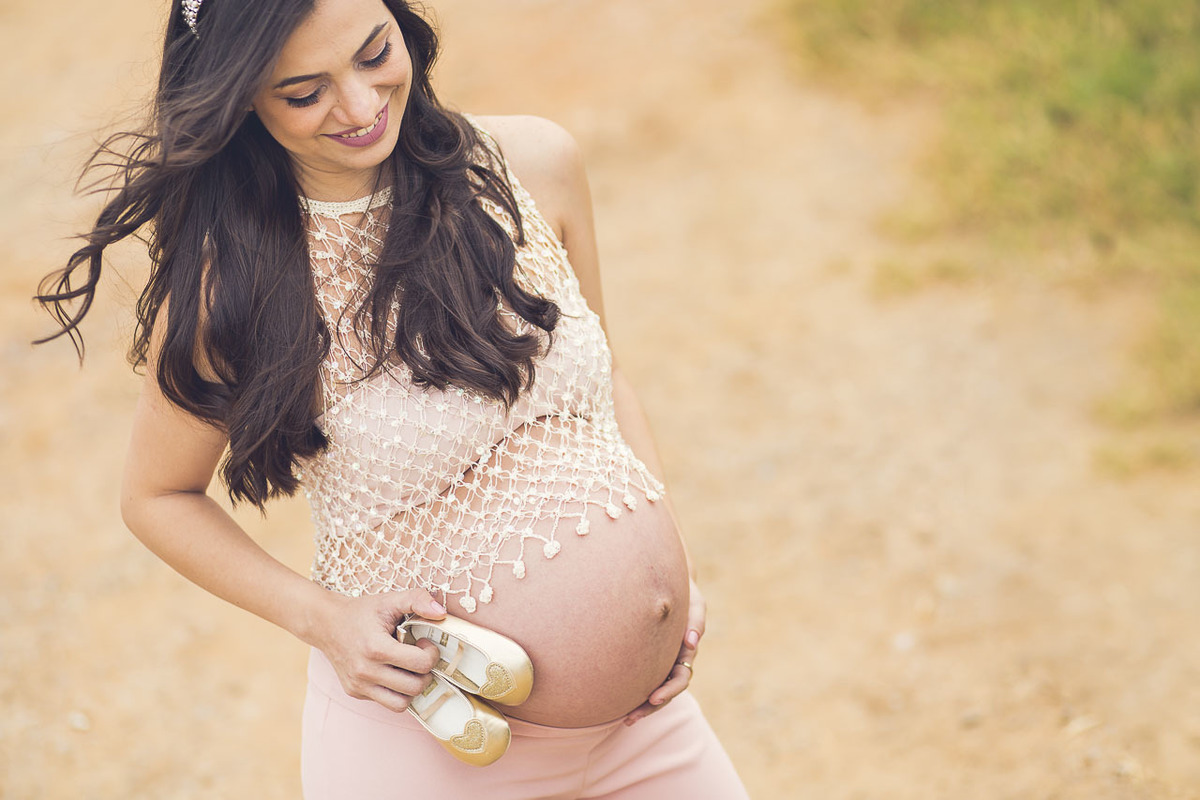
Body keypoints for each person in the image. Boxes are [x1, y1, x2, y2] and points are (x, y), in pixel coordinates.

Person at [36, 0, 749, 796]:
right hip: (429, 749)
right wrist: (325, 621)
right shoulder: (230, 291)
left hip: (648, 734)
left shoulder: (533, 162)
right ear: (242, 102)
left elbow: (604, 379)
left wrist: (674, 565)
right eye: (305, 94)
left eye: (375, 53)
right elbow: (156, 496)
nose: (362, 105)